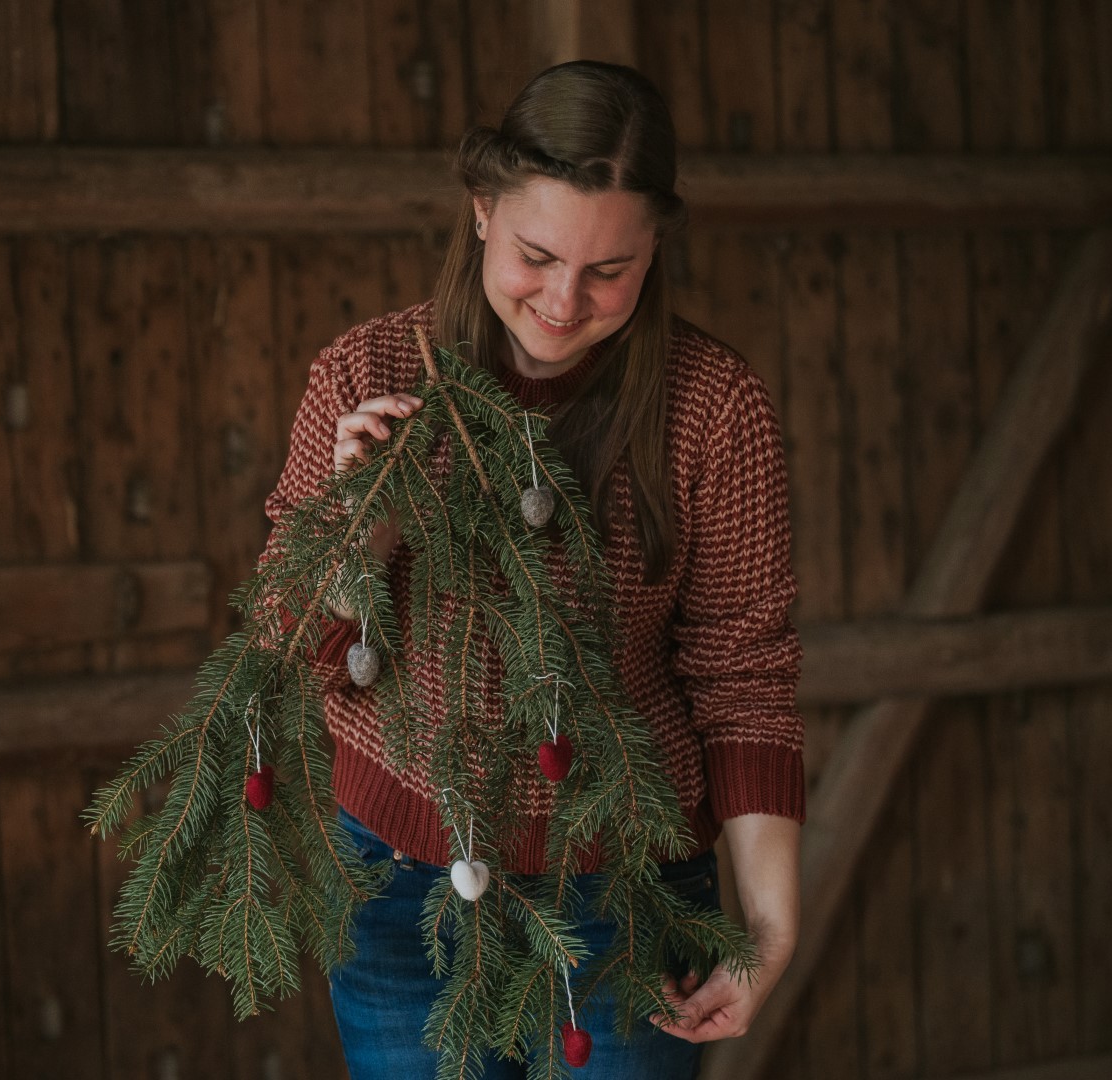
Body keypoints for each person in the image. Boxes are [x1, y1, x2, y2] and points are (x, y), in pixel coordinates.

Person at [262, 61, 803, 1079]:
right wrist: (363, 521)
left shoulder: (714, 410)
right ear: (480, 212)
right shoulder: (366, 374)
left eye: (610, 268)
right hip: (393, 897)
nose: (563, 299)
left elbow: (745, 677)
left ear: (655, 249)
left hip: (627, 898)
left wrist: (769, 929)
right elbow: (288, 649)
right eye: (537, 254)